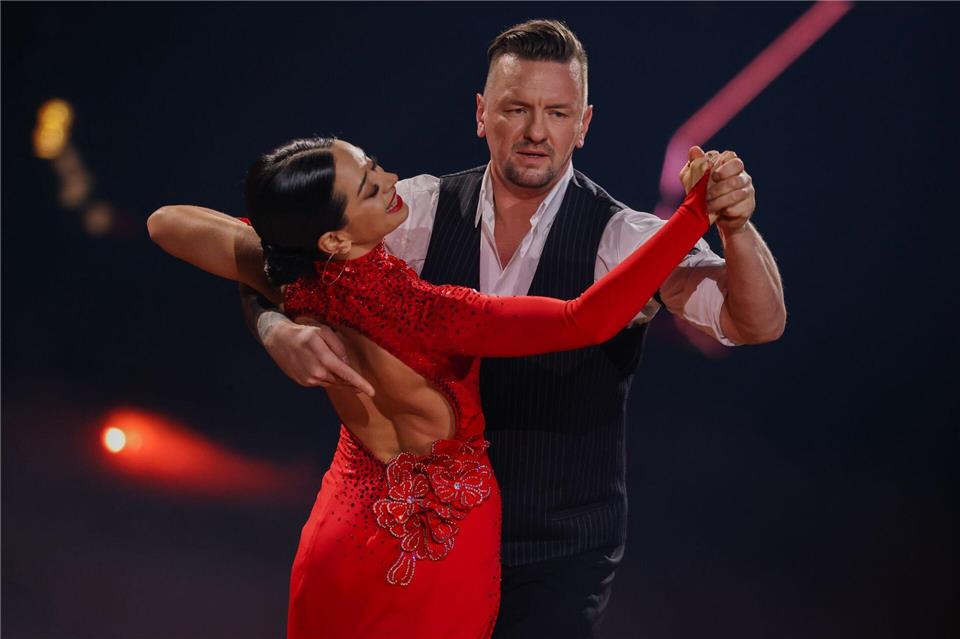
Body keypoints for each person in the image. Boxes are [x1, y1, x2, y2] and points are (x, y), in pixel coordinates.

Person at [229, 20, 783, 639]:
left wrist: (732, 225)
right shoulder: (412, 211)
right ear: (481, 113)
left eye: (557, 112)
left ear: (585, 124)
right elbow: (272, 248)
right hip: (421, 532)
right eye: (516, 109)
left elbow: (754, 322)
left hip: (556, 546)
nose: (536, 132)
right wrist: (278, 328)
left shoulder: (624, 237)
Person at [148, 136, 718, 638]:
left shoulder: (295, 276)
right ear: (335, 241)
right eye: (371, 189)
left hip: (340, 531)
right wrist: (694, 214)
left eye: (374, 167)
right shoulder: (427, 314)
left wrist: (274, 318)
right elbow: (583, 320)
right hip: (436, 549)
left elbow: (164, 223)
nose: (392, 180)